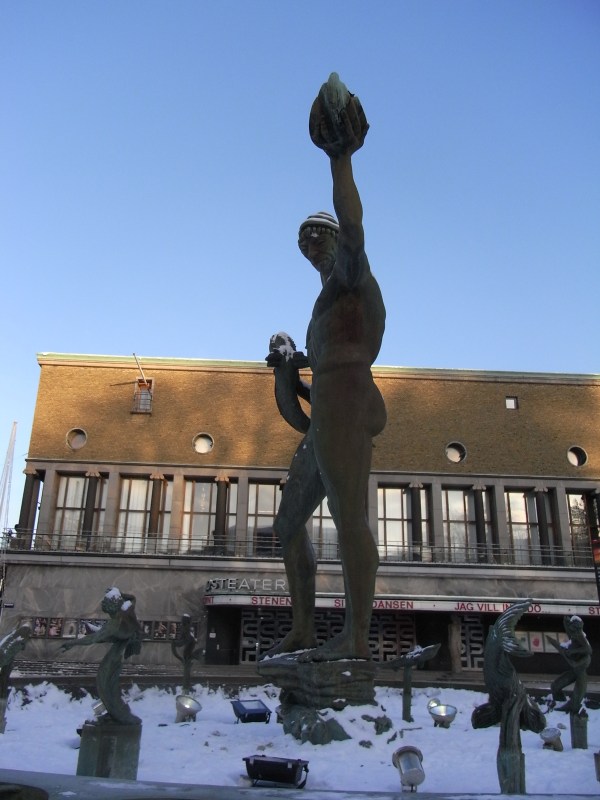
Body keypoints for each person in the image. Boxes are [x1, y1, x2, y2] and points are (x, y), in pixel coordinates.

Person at [265, 74, 386, 662]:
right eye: (306, 240)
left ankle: (357, 637)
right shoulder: (319, 312)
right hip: (328, 412)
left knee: (348, 516)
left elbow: (354, 224)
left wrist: (341, 161)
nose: (312, 246)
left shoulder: (353, 276)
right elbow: (299, 417)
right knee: (288, 525)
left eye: (320, 237)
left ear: (337, 243)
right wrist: (286, 374)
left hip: (351, 397)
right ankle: (305, 627)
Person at [61, 587, 142, 725]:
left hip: (117, 654)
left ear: (111, 607)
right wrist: (120, 593)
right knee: (108, 682)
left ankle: (119, 714)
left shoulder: (113, 624)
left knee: (104, 682)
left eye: (106, 604)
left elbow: (93, 639)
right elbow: (133, 598)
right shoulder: (126, 611)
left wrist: (72, 643)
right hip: (121, 648)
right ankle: (116, 712)